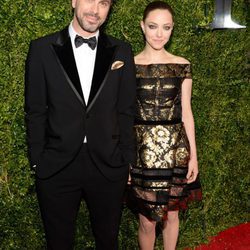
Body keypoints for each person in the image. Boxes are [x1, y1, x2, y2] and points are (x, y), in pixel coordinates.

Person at [24, 0, 136, 249]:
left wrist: (127, 159)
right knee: (58, 243)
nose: (95, 10)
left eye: (104, 3)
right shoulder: (42, 49)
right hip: (56, 166)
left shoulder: (122, 51)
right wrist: (37, 160)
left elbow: (126, 110)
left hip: (108, 164)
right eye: (89, 0)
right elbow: (35, 110)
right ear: (74, 1)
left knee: (108, 241)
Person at [129, 1, 202, 249]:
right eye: (153, 26)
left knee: (171, 215)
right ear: (142, 26)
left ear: (172, 29)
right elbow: (123, 115)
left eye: (166, 27)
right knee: (147, 221)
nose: (160, 34)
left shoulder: (182, 65)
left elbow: (187, 113)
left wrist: (193, 156)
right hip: (141, 153)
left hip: (176, 151)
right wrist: (125, 157)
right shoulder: (128, 66)